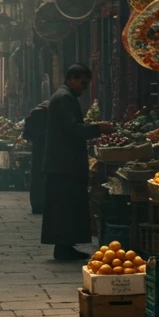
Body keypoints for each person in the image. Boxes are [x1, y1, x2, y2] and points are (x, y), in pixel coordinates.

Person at [42, 63, 115, 260]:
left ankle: (65, 245)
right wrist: (98, 128)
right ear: (72, 78)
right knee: (66, 205)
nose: (84, 88)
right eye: (82, 83)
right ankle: (63, 247)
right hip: (65, 162)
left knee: (66, 206)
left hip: (63, 161)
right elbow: (73, 129)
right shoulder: (65, 97)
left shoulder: (64, 96)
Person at [22, 100, 50, 215]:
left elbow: (25, 135)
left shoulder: (33, 113)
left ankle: (36, 205)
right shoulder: (53, 113)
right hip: (52, 149)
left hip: (37, 149)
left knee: (36, 175)